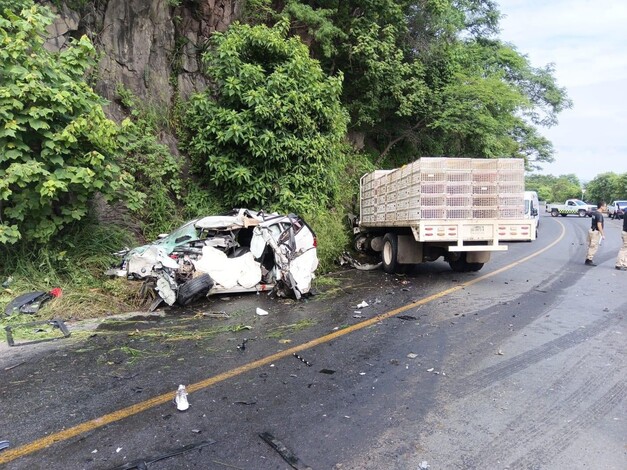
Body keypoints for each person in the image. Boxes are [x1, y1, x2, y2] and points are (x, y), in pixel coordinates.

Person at [585, 201, 606, 266]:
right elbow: (599, 225)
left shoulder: (594, 213)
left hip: (591, 230)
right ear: (601, 206)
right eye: (605, 206)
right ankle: (589, 260)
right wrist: (602, 234)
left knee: (590, 245)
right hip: (595, 232)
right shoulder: (599, 214)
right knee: (594, 246)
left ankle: (587, 258)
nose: (606, 207)